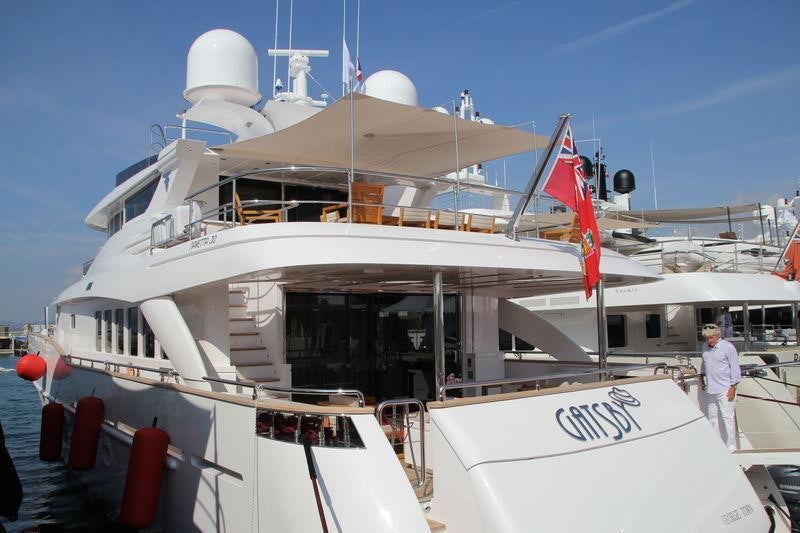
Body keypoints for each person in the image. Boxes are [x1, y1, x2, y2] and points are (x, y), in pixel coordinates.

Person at [699, 323, 741, 451]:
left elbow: (735, 367)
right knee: (712, 418)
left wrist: (733, 386)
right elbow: (704, 363)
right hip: (711, 389)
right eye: (707, 338)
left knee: (727, 418)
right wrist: (701, 376)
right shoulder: (705, 347)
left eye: (711, 337)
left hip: (725, 388)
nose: (708, 340)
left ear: (717, 336)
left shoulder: (728, 347)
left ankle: (731, 448)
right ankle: (717, 447)